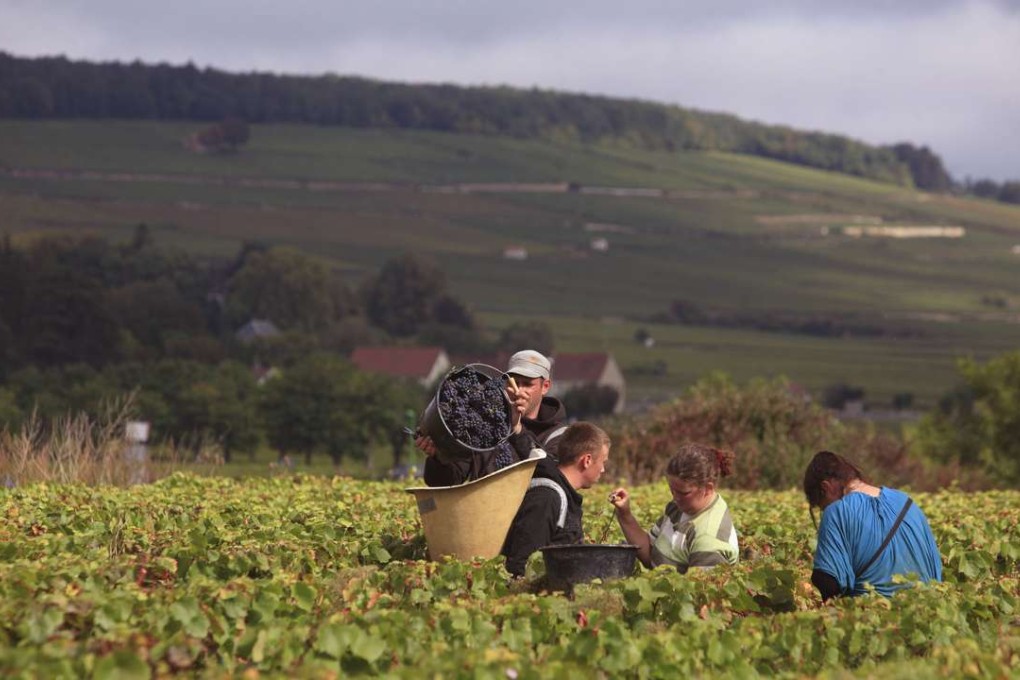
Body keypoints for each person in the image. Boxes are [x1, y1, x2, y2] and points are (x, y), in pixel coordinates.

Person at [803, 450, 942, 600]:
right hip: (926, 608)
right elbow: (936, 569)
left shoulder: (836, 511)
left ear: (826, 487)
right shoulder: (907, 502)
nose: (825, 510)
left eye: (822, 506)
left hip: (873, 614)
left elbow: (829, 583)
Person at [419, 349, 567, 485]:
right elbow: (450, 480)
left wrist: (518, 430)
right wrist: (439, 458)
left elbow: (553, 476)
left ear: (545, 386)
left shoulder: (559, 435)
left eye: (528, 384)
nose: (519, 390)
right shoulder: (485, 425)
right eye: (514, 382)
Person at [501, 422, 611, 577]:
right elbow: (523, 565)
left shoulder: (563, 495)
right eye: (603, 462)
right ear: (587, 460)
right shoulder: (546, 498)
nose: (603, 469)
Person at [610, 443, 739, 572]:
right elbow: (650, 552)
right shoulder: (679, 507)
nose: (675, 498)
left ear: (708, 489)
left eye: (684, 493)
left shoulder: (709, 539)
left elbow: (700, 590)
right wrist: (624, 514)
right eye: (672, 490)